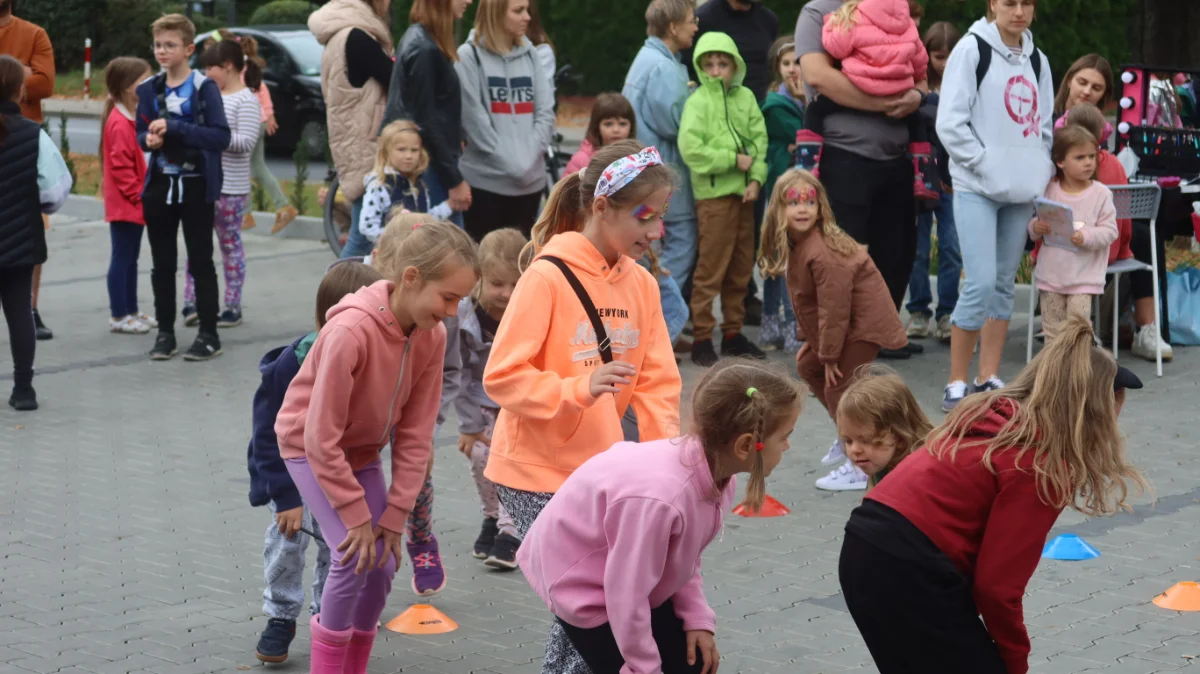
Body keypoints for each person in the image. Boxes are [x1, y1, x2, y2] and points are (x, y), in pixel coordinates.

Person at [839, 315, 1147, 674]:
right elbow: (997, 587)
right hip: (907, 564)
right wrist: (1015, 663)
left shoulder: (992, 416)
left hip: (863, 546)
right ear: (1094, 413)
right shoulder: (1040, 464)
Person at [483, 140, 682, 674]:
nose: (656, 231)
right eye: (646, 216)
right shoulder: (547, 276)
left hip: (599, 471)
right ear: (600, 206)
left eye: (661, 217)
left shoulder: (641, 284)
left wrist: (667, 462)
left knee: (586, 603)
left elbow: (659, 381)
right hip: (533, 472)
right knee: (590, 600)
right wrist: (579, 387)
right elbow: (501, 376)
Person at [274, 220, 478, 672]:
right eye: (448, 297)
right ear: (410, 278)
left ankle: (354, 665)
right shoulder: (350, 332)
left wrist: (394, 514)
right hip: (308, 449)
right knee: (352, 552)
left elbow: (415, 435)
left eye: (461, 301)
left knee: (383, 562)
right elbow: (319, 437)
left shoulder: (433, 335)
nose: (452, 311)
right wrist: (357, 516)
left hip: (361, 453)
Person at [520, 360, 803, 674]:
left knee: (693, 663)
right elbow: (626, 594)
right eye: (784, 436)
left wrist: (696, 618)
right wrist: (644, 667)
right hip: (582, 582)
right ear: (746, 445)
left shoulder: (721, 476)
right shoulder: (662, 499)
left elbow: (683, 557)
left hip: (627, 578)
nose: (788, 445)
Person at [249, 260, 382, 664]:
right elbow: (268, 436)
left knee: (340, 549)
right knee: (287, 545)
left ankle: (328, 615)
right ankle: (280, 616)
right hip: (294, 474)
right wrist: (285, 496)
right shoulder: (293, 363)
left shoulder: (371, 355)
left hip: (342, 473)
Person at [935, 0, 1053, 411]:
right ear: (992, 5)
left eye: (1026, 3)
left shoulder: (1038, 59)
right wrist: (986, 164)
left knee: (1003, 285)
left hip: (1020, 191)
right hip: (976, 188)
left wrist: (1035, 173)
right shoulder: (972, 49)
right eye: (1009, 2)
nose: (1018, 11)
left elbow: (1043, 127)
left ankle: (988, 378)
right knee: (981, 282)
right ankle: (955, 380)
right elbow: (950, 123)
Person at [758, 169, 905, 491]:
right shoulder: (800, 244)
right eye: (793, 202)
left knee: (842, 389)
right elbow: (809, 304)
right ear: (778, 209)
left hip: (862, 325)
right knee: (806, 365)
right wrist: (815, 349)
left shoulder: (822, 251)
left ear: (820, 207)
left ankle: (861, 463)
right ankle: (848, 436)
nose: (802, 209)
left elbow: (833, 309)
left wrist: (829, 355)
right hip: (848, 324)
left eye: (810, 202)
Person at [795, 0, 924, 360]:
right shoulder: (818, 12)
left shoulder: (895, 7)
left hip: (897, 157)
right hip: (841, 155)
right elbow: (818, 75)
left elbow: (920, 70)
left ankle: (878, 334)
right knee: (835, 257)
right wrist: (882, 102)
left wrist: (915, 95)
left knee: (897, 252)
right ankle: (829, 341)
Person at [137, 14, 233, 363]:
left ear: (189, 49)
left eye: (170, 45)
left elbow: (221, 136)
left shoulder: (202, 86)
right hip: (160, 186)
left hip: (195, 186)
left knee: (201, 261)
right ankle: (165, 332)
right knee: (162, 264)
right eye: (158, 45)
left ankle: (209, 333)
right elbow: (140, 132)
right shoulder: (148, 89)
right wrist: (147, 140)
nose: (162, 51)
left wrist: (176, 128)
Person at [680, 32, 769, 367]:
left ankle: (733, 332)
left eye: (723, 63)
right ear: (701, 67)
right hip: (714, 196)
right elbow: (692, 150)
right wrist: (732, 159)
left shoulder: (745, 97)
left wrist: (757, 178)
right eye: (710, 64)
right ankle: (703, 335)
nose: (717, 70)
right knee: (711, 268)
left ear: (735, 64)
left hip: (745, 195)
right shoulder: (698, 102)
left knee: (741, 266)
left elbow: (760, 139)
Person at [441, 227, 526, 570]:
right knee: (480, 457)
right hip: (480, 400)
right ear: (479, 280)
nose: (506, 293)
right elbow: (456, 371)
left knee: (512, 462)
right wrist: (469, 425)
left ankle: (511, 530)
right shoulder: (464, 316)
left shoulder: (530, 311)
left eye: (515, 284)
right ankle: (491, 516)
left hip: (519, 403)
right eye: (497, 283)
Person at [805, 0, 937, 201]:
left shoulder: (855, 15)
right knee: (916, 120)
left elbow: (836, 49)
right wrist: (916, 91)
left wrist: (832, 23)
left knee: (815, 108)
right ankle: (924, 175)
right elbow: (920, 62)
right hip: (899, 90)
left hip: (862, 84)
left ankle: (807, 162)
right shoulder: (907, 21)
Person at [0, 55, 70, 411]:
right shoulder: (32, 134)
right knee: (20, 314)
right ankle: (23, 389)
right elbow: (55, 191)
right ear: (19, 89)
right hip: (20, 240)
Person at [179, 37, 262, 330]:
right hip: (204, 183)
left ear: (227, 67)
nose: (204, 74)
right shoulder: (209, 96)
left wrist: (211, 138)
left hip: (231, 188)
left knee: (229, 246)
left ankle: (232, 305)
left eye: (209, 68)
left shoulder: (246, 101)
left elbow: (247, 142)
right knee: (197, 245)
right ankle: (193, 302)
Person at [456, 0, 555, 241]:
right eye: (518, 11)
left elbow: (545, 112)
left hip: (529, 187)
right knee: (486, 268)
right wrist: (515, 165)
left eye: (526, 10)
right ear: (496, 14)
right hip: (485, 186)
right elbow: (474, 120)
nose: (528, 17)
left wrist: (526, 163)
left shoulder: (532, 54)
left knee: (520, 267)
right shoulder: (468, 56)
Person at [623, 0, 700, 302]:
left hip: (644, 176)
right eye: (692, 20)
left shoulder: (648, 58)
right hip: (665, 178)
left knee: (646, 243)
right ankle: (659, 320)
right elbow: (681, 123)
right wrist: (694, 96)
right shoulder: (663, 68)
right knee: (679, 243)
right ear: (673, 26)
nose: (696, 26)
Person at [310, 0, 394, 259]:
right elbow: (395, 79)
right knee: (363, 239)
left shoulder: (340, 36)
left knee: (365, 236)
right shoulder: (357, 37)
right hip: (366, 146)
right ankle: (333, 294)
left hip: (353, 142)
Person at [384, 0, 474, 229]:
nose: (469, 2)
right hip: (430, 166)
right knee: (448, 249)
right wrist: (454, 180)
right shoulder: (424, 48)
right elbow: (425, 119)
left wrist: (458, 133)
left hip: (430, 161)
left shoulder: (424, 40)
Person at [1028, 125, 1118, 340]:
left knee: (1078, 332)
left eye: (1091, 156)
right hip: (1051, 275)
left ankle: (1077, 372)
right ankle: (1055, 373)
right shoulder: (1049, 190)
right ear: (1061, 162)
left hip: (1083, 276)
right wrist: (1035, 228)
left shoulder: (1101, 194)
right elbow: (1034, 226)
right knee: (1052, 333)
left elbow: (1110, 231)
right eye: (1079, 157)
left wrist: (1085, 236)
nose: (1088, 162)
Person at [0, 0, 55, 342]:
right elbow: (30, 81)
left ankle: (29, 308)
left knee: (29, 229)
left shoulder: (33, 33)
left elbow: (45, 84)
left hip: (22, 138)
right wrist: (19, 70)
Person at [905, 20, 962, 342]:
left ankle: (948, 312)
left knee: (952, 248)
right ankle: (918, 310)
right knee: (918, 247)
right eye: (938, 56)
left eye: (950, 55)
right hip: (921, 177)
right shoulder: (917, 85)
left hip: (954, 179)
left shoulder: (964, 85)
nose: (945, 62)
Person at [101, 57, 155, 335]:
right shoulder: (120, 123)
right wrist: (139, 196)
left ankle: (131, 310)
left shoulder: (130, 116)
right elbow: (122, 169)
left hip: (133, 203)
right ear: (125, 87)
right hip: (127, 204)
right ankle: (118, 314)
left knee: (130, 258)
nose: (149, 85)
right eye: (142, 81)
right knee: (122, 258)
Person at [758, 37, 805, 353]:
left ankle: (788, 323)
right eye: (787, 64)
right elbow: (800, 133)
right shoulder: (775, 104)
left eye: (798, 62)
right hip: (780, 187)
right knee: (779, 257)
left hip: (804, 188)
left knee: (794, 257)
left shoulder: (810, 97)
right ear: (778, 68)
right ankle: (780, 324)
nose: (793, 69)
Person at [229, 33, 299, 235]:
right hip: (257, 122)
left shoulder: (237, 69)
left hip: (247, 122)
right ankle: (283, 207)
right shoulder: (249, 67)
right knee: (258, 167)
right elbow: (262, 90)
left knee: (241, 168)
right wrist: (268, 114)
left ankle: (246, 214)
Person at [358, 120, 456, 243]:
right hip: (393, 253)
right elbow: (367, 227)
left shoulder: (419, 185)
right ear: (386, 152)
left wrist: (449, 206)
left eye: (414, 150)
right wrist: (397, 239)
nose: (409, 156)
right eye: (401, 149)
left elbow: (426, 218)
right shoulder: (380, 186)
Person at [836, 365, 932, 489]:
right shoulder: (883, 462)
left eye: (866, 440)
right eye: (848, 441)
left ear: (900, 437)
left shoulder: (921, 477)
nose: (854, 450)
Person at [684, 0, 779, 103]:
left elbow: (774, 67)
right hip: (720, 111)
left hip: (763, 109)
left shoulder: (769, 20)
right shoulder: (703, 20)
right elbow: (688, 71)